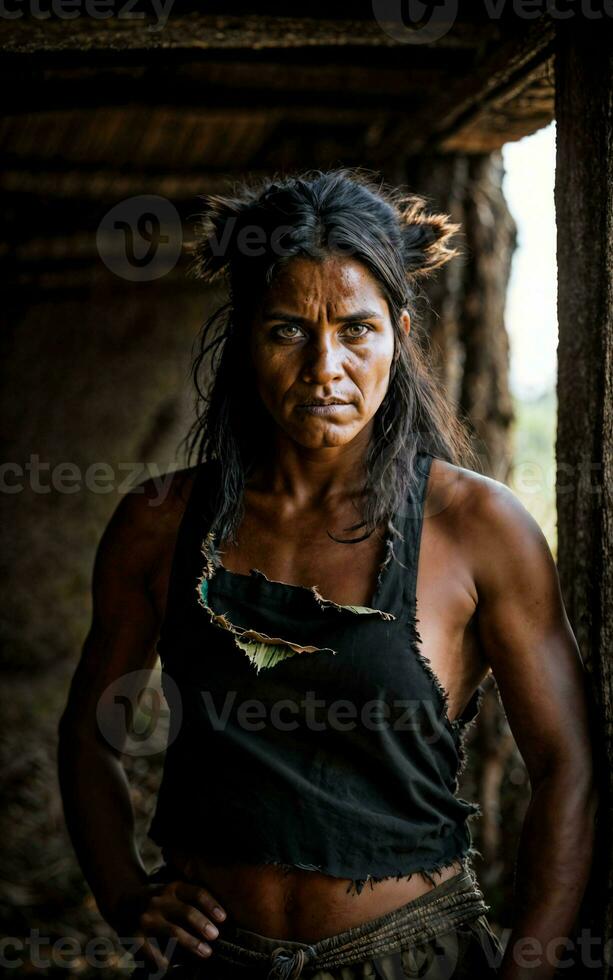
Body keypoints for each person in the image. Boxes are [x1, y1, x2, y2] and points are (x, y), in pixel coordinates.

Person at [58, 168, 598, 980]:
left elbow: (568, 765)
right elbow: (86, 733)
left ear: (399, 333)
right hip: (209, 961)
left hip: (409, 957)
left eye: (355, 329)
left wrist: (526, 971)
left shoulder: (476, 529)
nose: (324, 367)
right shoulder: (158, 523)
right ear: (246, 337)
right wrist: (125, 895)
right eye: (286, 330)